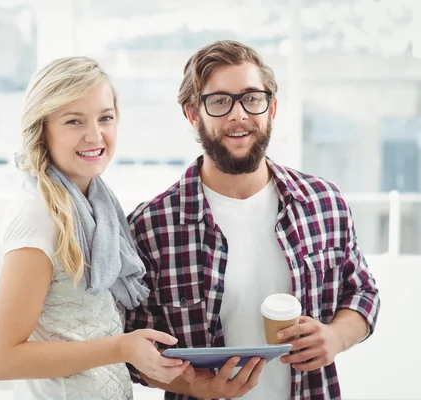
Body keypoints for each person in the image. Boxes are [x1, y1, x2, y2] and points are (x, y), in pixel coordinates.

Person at [125, 40, 380, 400]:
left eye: (252, 98)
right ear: (193, 114)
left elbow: (363, 293)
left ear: (271, 107)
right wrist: (195, 385)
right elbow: (134, 349)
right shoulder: (151, 227)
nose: (238, 114)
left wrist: (336, 337)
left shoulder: (324, 202)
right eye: (219, 101)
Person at [0, 56, 190, 400]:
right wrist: (121, 348)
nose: (95, 135)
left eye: (105, 118)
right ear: (42, 128)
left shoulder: (96, 206)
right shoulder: (39, 217)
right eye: (74, 121)